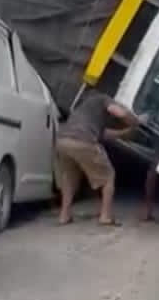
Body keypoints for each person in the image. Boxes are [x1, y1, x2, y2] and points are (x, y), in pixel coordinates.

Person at [55, 89, 146, 226]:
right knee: (108, 176)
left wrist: (128, 131)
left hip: (62, 141)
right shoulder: (103, 98)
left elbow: (105, 135)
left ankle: (64, 216)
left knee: (69, 178)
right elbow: (120, 113)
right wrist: (137, 121)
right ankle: (105, 216)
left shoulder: (84, 111)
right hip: (83, 141)